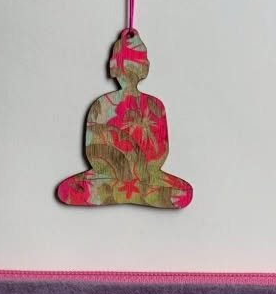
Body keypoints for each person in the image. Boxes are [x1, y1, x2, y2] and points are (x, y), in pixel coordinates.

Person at [56, 28, 193, 209]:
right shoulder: (153, 105)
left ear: (113, 68)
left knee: (76, 190)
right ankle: (136, 192)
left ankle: (118, 192)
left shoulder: (103, 103)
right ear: (145, 68)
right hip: (129, 178)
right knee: (176, 193)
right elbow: (161, 151)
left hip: (133, 178)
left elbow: (93, 152)